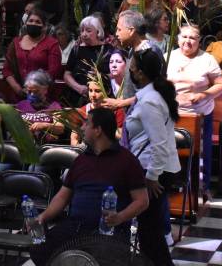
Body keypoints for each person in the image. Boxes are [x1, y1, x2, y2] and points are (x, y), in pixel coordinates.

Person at [31, 108, 148, 266]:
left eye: (87, 124)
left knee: (100, 257)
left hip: (108, 231)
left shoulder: (127, 160)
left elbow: (142, 201)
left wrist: (119, 217)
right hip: (76, 227)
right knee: (40, 249)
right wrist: (42, 217)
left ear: (98, 130)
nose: (82, 128)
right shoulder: (81, 160)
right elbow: (62, 196)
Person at [124, 48, 181, 266]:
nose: (130, 71)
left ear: (140, 73)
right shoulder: (151, 95)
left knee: (150, 231)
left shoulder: (149, 101)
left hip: (154, 170)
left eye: (132, 67)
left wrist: (152, 176)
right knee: (149, 230)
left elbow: (159, 144)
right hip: (153, 168)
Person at [166, 24, 222, 199]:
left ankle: (203, 187)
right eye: (184, 37)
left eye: (192, 38)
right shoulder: (168, 57)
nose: (188, 41)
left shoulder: (207, 59)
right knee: (172, 151)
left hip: (200, 114)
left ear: (199, 41)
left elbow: (220, 84)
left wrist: (203, 95)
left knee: (203, 151)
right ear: (177, 39)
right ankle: (175, 188)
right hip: (173, 114)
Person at [3, 7, 61, 99]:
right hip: (18, 95)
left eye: (38, 22)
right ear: (26, 23)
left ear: (44, 26)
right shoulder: (16, 42)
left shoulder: (52, 44)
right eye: (31, 21)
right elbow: (7, 69)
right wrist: (17, 88)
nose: (33, 23)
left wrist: (34, 88)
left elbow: (53, 71)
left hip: (43, 96)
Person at [64, 16, 106, 107]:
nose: (84, 34)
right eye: (82, 31)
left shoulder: (107, 50)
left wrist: (100, 76)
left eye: (88, 31)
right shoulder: (76, 49)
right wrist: (79, 88)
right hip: (77, 98)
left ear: (98, 32)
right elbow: (67, 74)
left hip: (101, 99)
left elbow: (114, 75)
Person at [70, 80, 125, 146]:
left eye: (97, 91)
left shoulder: (116, 111)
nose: (93, 95)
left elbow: (121, 136)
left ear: (107, 91)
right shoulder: (83, 110)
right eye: (90, 90)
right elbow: (74, 138)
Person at [16, 70, 64, 142]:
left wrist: (44, 125)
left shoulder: (54, 106)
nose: (32, 94)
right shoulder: (21, 105)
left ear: (45, 89)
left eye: (36, 91)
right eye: (29, 91)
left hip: (46, 147)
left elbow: (60, 128)